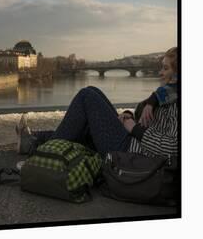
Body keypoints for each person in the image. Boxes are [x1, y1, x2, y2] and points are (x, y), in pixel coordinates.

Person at [18, 47, 178, 157]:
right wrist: (129, 116)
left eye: (165, 68)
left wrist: (134, 128)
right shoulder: (168, 95)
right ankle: (35, 138)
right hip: (132, 143)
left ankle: (44, 153)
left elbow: (172, 148)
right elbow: (150, 124)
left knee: (87, 96)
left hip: (132, 151)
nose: (160, 72)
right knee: (93, 94)